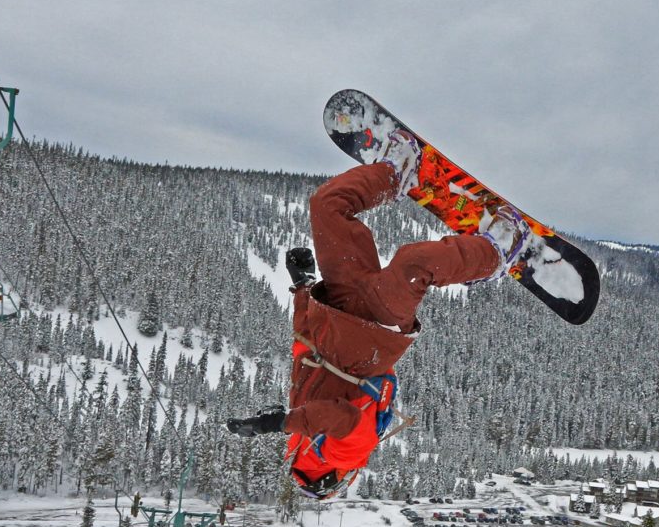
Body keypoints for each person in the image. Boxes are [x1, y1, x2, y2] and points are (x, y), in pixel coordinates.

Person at [227, 147, 537, 500]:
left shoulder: (302, 430)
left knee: (326, 206)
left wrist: (301, 287)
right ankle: (494, 255)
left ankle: (395, 174)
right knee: (413, 265)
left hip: (337, 305)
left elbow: (303, 347)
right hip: (373, 332)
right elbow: (341, 418)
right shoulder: (343, 455)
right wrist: (282, 422)